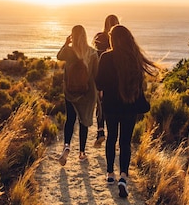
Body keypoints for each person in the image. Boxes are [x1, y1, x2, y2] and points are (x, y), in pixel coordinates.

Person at [95, 24, 159, 198]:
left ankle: (109, 174)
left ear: (112, 39)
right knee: (125, 142)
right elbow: (139, 85)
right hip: (130, 106)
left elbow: (99, 83)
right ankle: (123, 176)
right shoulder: (134, 58)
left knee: (111, 138)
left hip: (110, 106)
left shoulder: (106, 58)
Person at [57, 25, 99, 166]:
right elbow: (96, 75)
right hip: (87, 93)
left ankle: (67, 146)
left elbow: (58, 56)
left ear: (72, 36)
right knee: (84, 122)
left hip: (70, 92)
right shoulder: (93, 53)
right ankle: (81, 153)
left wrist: (66, 43)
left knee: (70, 119)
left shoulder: (69, 51)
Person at [92, 14, 120, 147]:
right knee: (115, 107)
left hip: (101, 75)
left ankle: (100, 131)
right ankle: (113, 135)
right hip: (117, 79)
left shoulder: (99, 37)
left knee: (100, 105)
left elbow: (94, 54)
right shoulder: (120, 41)